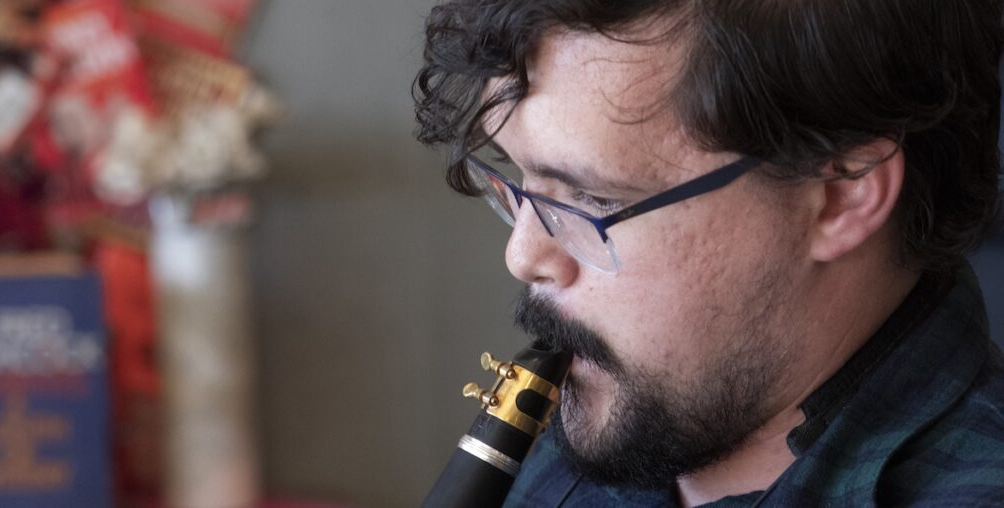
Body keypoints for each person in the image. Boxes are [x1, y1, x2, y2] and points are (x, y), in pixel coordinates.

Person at [413, 1, 1004, 506]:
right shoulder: (642, 403)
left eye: (593, 198)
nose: (522, 255)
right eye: (521, 180)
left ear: (840, 196)